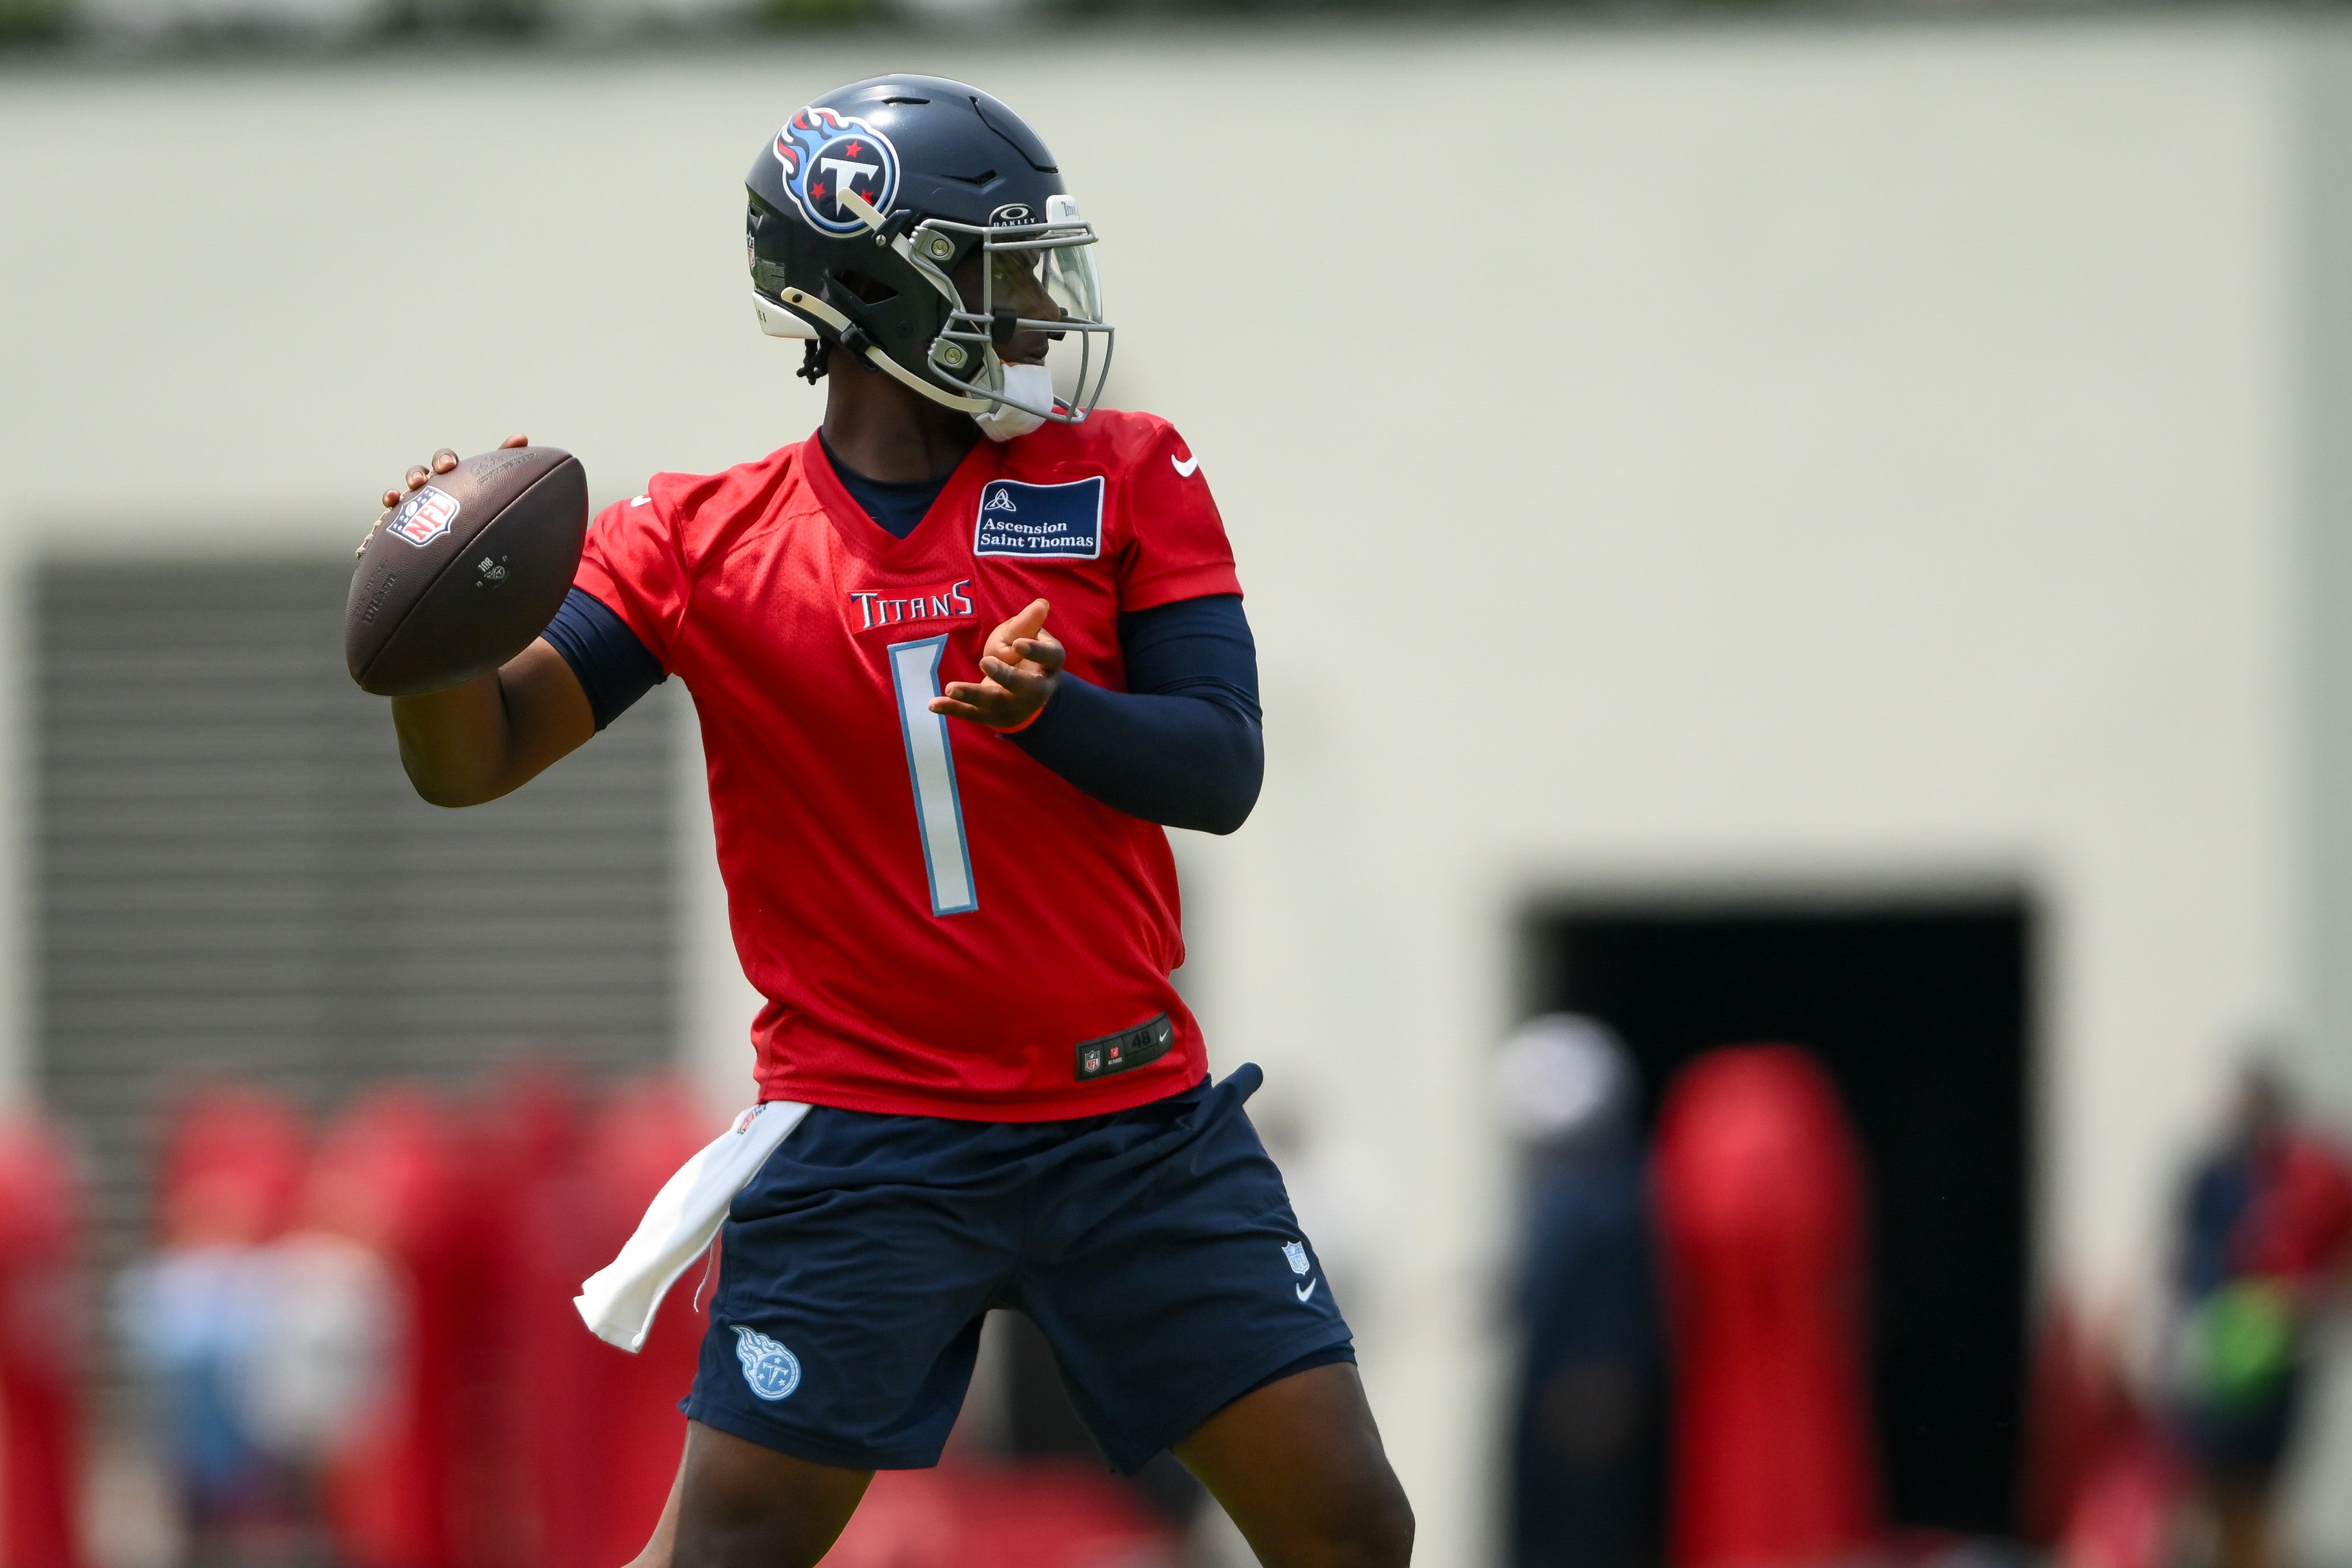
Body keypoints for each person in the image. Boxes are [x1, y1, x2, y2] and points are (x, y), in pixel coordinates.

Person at [368, 76, 1412, 1568]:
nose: (1041, 304)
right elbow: (477, 759)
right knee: (725, 1552)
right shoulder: (699, 538)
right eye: (998, 269)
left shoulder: (1124, 472)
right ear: (870, 288)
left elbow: (1220, 765)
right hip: (872, 1133)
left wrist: (1055, 716)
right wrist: (437, 646)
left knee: (1353, 1525)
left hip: (1126, 1117)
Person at [1492, 1016, 1661, 1568]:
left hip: (1579, 1394)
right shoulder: (1616, 1178)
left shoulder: (1595, 1188)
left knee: (1575, 1530)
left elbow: (1556, 1289)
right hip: (1571, 1390)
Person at [2169, 1057, 2352, 1568]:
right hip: (2221, 1350)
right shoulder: (2214, 1174)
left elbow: (2336, 1258)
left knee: (2259, 1498)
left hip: (2281, 1354)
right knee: (2211, 1490)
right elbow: (2190, 1259)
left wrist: (2303, 1301)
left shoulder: (2312, 1175)